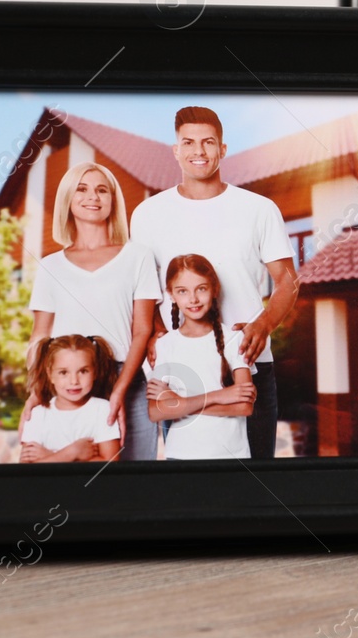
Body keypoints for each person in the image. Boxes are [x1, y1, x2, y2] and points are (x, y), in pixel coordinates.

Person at [129, 106, 297, 460]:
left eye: (208, 142)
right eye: (188, 142)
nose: (198, 151)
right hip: (180, 367)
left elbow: (287, 282)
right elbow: (141, 289)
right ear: (175, 151)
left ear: (223, 149)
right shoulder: (147, 214)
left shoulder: (258, 208)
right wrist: (158, 332)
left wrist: (263, 324)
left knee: (256, 484)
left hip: (248, 362)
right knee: (186, 483)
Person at [26, 162, 160, 460]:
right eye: (82, 189)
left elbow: (142, 330)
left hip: (125, 375)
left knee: (135, 480)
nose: (93, 197)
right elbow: (40, 335)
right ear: (68, 201)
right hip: (65, 383)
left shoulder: (138, 257)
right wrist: (36, 390)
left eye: (102, 190)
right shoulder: (51, 266)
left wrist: (119, 391)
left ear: (113, 200)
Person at [145, 255, 255, 460]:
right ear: (171, 294)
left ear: (214, 289)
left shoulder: (235, 339)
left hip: (232, 457)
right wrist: (219, 396)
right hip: (181, 456)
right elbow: (155, 412)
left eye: (201, 289)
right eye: (182, 291)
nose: (193, 299)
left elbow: (244, 406)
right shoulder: (164, 345)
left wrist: (179, 404)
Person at [18, 334, 122, 463]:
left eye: (83, 371)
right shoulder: (37, 415)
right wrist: (72, 452)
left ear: (95, 372)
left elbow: (110, 463)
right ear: (50, 374)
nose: (74, 381)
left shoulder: (103, 409)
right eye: (63, 372)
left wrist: (49, 458)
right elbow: (27, 472)